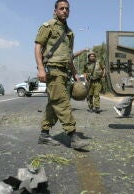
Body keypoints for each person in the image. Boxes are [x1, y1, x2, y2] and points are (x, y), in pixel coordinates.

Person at [34, 0, 88, 149]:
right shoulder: (48, 26)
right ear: (56, 10)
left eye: (67, 8)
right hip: (53, 70)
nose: (64, 10)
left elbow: (69, 56)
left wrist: (75, 74)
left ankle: (44, 135)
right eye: (61, 8)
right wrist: (40, 68)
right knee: (62, 102)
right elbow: (38, 47)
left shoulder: (70, 33)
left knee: (53, 103)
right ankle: (73, 135)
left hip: (65, 73)